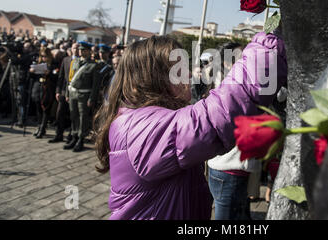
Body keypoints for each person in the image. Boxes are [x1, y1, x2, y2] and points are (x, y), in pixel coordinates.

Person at [93, 32, 287, 220]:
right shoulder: (140, 127)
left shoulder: (145, 118)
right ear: (152, 78)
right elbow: (220, 113)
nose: (187, 74)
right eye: (178, 68)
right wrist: (268, 45)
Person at [206, 42, 261, 220]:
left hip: (226, 167)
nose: (246, 61)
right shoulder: (232, 89)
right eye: (240, 57)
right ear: (227, 63)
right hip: (229, 169)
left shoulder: (229, 86)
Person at [63, 41, 100, 152]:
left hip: (84, 95)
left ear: (89, 51)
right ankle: (74, 136)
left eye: (84, 50)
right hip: (73, 93)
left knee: (83, 117)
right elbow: (69, 80)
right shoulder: (74, 62)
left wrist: (92, 98)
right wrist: (67, 93)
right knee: (73, 115)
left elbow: (95, 85)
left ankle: (81, 139)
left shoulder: (93, 65)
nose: (81, 51)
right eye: (80, 50)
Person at [50, 42, 79, 143]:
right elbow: (61, 77)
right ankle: (59, 134)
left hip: (75, 91)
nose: (75, 50)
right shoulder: (66, 60)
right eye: (74, 48)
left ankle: (71, 135)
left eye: (77, 48)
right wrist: (58, 91)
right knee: (60, 113)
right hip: (63, 90)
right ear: (71, 49)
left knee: (73, 114)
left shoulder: (81, 61)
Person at [31, 47, 57, 139]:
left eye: (45, 56)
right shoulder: (39, 64)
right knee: (38, 109)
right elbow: (32, 78)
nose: (43, 58)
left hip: (47, 89)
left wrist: (49, 73)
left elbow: (56, 76)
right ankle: (39, 127)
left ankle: (42, 128)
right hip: (38, 87)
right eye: (42, 56)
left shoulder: (53, 65)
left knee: (46, 109)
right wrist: (32, 72)